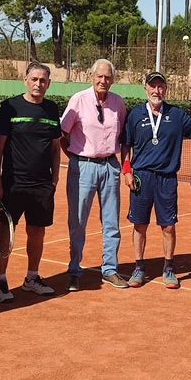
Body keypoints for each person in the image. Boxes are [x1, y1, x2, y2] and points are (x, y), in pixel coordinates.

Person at [121, 71, 191, 289]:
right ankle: (138, 267)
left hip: (166, 179)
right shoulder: (135, 114)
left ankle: (168, 268)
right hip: (141, 177)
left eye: (160, 87)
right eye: (152, 86)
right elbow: (126, 145)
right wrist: (127, 172)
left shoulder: (177, 115)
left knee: (168, 226)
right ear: (145, 88)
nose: (157, 91)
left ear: (165, 89)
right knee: (139, 225)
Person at [0, 62, 61, 302]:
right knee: (4, 233)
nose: (38, 84)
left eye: (43, 80)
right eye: (34, 79)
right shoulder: (10, 107)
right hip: (13, 184)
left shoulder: (52, 110)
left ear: (48, 83)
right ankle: (0, 282)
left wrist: (54, 179)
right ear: (26, 80)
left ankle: (32, 278)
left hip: (42, 185)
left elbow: (55, 147)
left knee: (37, 232)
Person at [61, 59, 128, 291]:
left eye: (108, 77)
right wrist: (75, 158)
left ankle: (109, 269)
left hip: (110, 166)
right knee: (77, 221)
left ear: (112, 79)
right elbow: (62, 133)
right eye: (99, 76)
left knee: (111, 223)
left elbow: (123, 138)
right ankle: (74, 269)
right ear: (91, 77)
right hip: (83, 166)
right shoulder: (78, 100)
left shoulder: (118, 103)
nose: (103, 81)